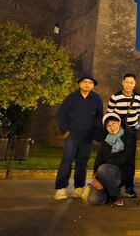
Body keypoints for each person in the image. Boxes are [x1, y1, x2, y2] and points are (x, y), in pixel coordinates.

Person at [54, 71, 103, 200]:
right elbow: (62, 114)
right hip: (72, 135)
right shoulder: (72, 97)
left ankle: (78, 188)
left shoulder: (96, 98)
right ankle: (60, 188)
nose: (87, 85)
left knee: (82, 163)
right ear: (80, 83)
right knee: (67, 161)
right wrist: (65, 131)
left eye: (90, 83)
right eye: (85, 82)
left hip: (87, 136)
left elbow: (99, 117)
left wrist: (95, 134)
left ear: (93, 85)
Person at [85, 113, 135, 207]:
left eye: (114, 123)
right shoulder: (106, 141)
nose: (112, 127)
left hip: (123, 172)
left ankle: (116, 196)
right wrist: (96, 177)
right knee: (93, 200)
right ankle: (109, 192)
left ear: (119, 123)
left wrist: (104, 168)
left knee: (103, 168)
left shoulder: (129, 137)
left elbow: (125, 158)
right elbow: (98, 160)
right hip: (105, 174)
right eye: (108, 125)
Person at [107, 73, 140, 198]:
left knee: (130, 159)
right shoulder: (115, 97)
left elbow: (138, 112)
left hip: (132, 132)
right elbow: (110, 115)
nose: (129, 84)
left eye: (132, 82)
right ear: (123, 82)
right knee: (116, 158)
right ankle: (114, 186)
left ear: (135, 84)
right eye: (127, 82)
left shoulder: (139, 97)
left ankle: (129, 186)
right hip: (118, 132)